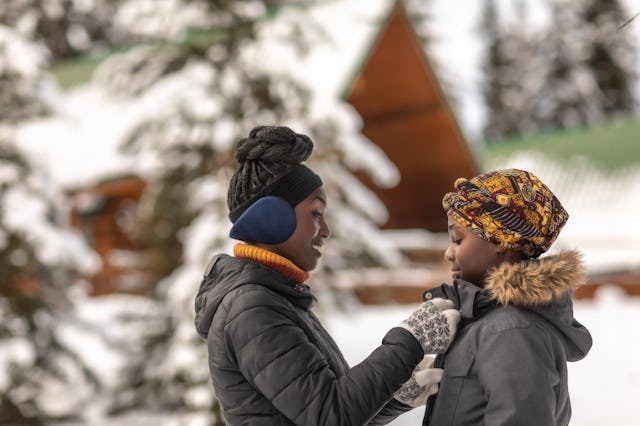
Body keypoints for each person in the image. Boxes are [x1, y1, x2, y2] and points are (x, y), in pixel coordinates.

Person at [194, 125, 461, 425]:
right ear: (272, 218)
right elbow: (330, 417)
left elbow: (327, 405)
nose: (325, 231)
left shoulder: (275, 298)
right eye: (316, 214)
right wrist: (410, 339)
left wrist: (396, 398)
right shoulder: (252, 309)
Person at [421, 168, 593, 426]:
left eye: (458, 239)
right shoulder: (487, 322)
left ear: (500, 241)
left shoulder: (510, 331)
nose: (448, 253)